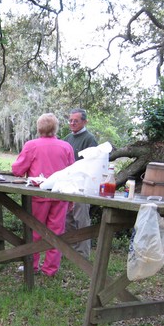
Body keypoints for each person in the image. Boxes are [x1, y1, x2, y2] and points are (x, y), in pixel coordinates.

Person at [12, 113, 75, 276]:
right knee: (56, 232)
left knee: (34, 230)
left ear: (38, 127)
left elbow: (17, 170)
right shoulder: (66, 147)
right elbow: (72, 173)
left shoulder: (32, 145)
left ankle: (31, 265)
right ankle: (50, 269)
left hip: (38, 195)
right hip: (60, 195)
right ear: (56, 128)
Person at [64, 108, 98, 260]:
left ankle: (82, 253)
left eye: (75, 121)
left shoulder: (90, 139)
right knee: (67, 218)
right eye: (70, 120)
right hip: (67, 184)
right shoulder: (67, 138)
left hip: (83, 186)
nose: (72, 123)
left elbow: (94, 163)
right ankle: (69, 249)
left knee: (81, 218)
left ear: (84, 122)